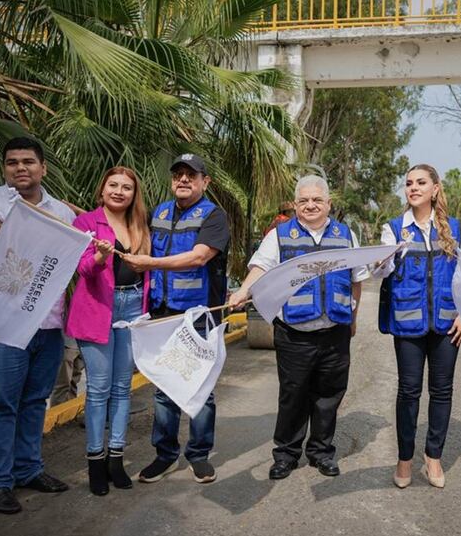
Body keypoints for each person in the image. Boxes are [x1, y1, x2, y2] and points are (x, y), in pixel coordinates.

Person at [228, 175, 369, 480]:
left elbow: (357, 280)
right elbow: (260, 267)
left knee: (329, 394)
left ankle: (321, 452)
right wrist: (242, 291)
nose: (310, 205)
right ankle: (286, 454)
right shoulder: (279, 235)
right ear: (294, 205)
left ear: (329, 204)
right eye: (304, 200)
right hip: (294, 331)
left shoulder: (346, 235)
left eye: (317, 200)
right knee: (293, 395)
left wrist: (352, 318)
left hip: (335, 329)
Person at [0, 136, 76, 514]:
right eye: (12, 162)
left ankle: (28, 469)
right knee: (0, 405)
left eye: (28, 161)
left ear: (42, 168)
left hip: (46, 324)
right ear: (4, 169)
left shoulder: (61, 212)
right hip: (1, 327)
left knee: (33, 401)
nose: (20, 168)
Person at [121, 153, 230, 485]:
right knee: (163, 388)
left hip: (198, 315)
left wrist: (148, 264)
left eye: (191, 175)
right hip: (161, 313)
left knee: (200, 388)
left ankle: (198, 455)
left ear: (204, 182)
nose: (183, 180)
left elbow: (199, 258)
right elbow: (132, 239)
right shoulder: (159, 212)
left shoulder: (214, 217)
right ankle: (164, 455)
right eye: (178, 175)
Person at [374, 164, 461, 489]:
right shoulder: (393, 228)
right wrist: (382, 261)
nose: (413, 188)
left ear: (435, 188)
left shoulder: (453, 228)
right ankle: (404, 459)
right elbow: (379, 273)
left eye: (421, 182)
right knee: (409, 391)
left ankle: (433, 457)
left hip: (447, 324)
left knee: (442, 391)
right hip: (408, 324)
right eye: (409, 183)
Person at [66, 167, 151, 496]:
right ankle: (95, 461)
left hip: (132, 309)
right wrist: (100, 256)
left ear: (134, 193)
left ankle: (117, 457)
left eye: (126, 187)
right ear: (102, 190)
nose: (119, 191)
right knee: (99, 388)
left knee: (122, 388)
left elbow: (147, 272)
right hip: (98, 308)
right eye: (113, 185)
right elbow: (83, 268)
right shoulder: (86, 223)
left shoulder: (140, 225)